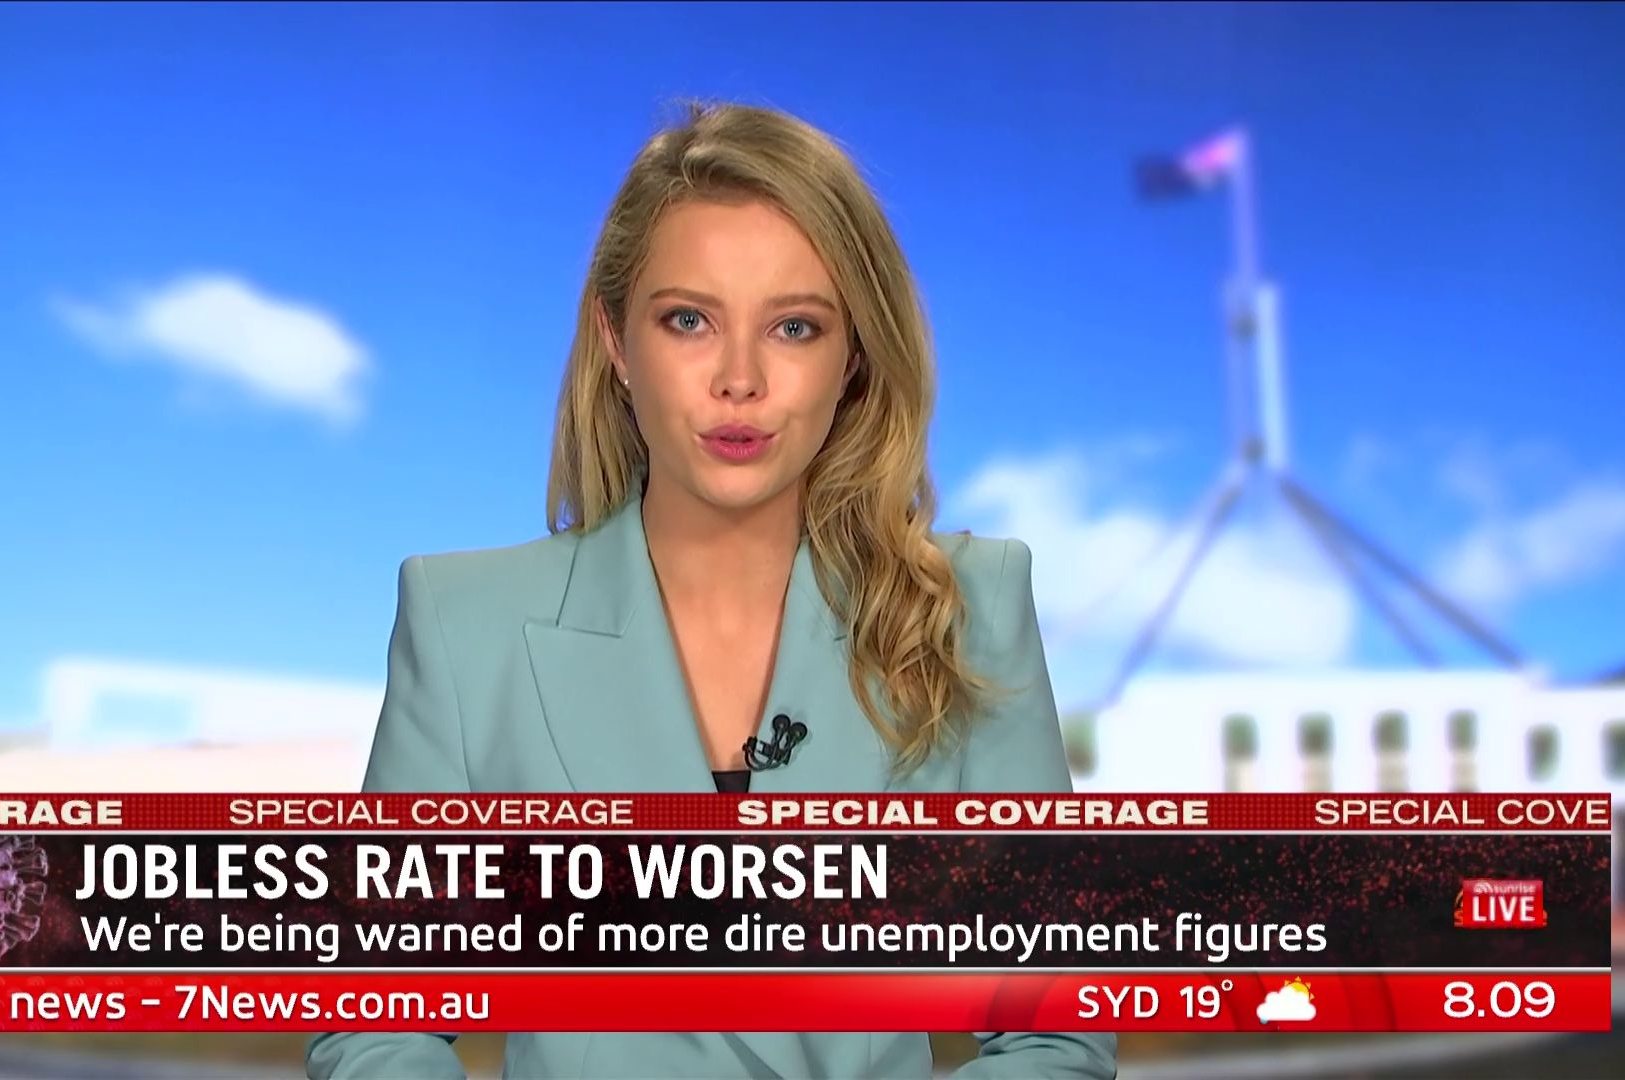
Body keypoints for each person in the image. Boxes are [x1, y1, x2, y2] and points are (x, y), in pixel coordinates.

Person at [306, 100, 1116, 1079]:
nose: (740, 379)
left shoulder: (971, 606)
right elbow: (376, 1022)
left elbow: (1054, 1033)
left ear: (855, 357)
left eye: (794, 327)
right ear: (616, 341)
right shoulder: (464, 626)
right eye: (689, 320)